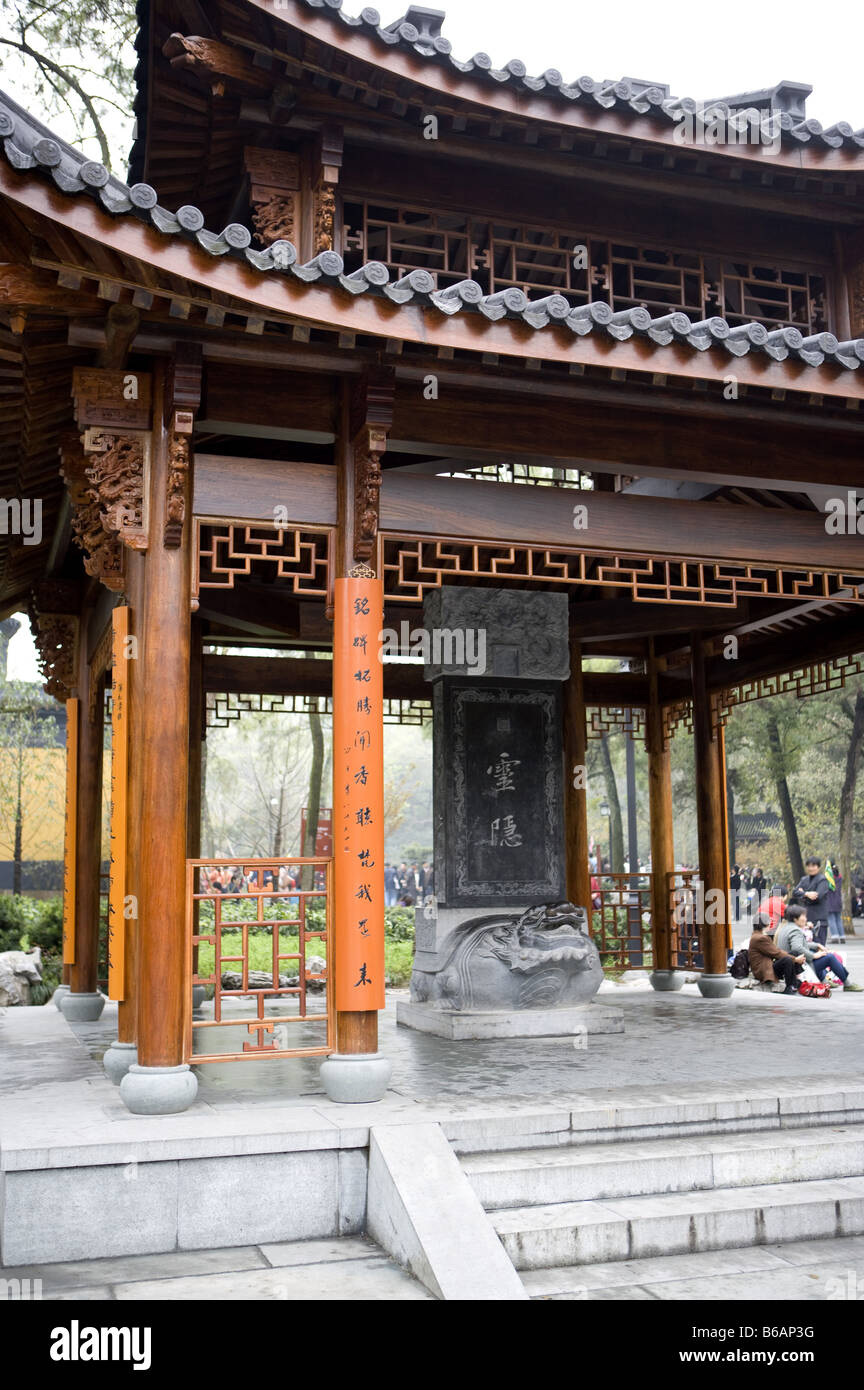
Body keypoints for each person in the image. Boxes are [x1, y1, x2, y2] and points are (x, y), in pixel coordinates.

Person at [776, 904, 862, 992]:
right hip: (798, 966)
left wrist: (816, 945)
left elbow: (800, 944)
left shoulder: (786, 928)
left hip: (789, 963)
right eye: (804, 916)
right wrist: (813, 956)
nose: (806, 919)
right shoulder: (795, 930)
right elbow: (797, 947)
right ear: (795, 919)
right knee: (830, 957)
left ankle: (824, 981)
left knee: (821, 954)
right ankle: (847, 983)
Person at [748, 916, 805, 994]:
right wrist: (795, 959)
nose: (770, 924)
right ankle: (790, 986)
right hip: (763, 970)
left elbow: (775, 951)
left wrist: (795, 958)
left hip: (768, 964)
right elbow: (776, 953)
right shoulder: (760, 938)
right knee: (787, 960)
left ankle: (795, 980)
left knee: (794, 953)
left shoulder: (758, 935)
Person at [792, 857, 831, 947]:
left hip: (819, 920)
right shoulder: (804, 879)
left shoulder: (823, 880)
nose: (811, 868)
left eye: (813, 866)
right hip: (806, 920)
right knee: (806, 947)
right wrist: (807, 894)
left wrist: (802, 894)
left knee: (819, 947)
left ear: (818, 867)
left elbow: (817, 897)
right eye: (809, 866)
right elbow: (794, 892)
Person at [825, 858, 844, 943]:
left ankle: (835, 937)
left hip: (830, 901)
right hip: (838, 900)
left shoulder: (828, 876)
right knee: (838, 919)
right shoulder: (839, 876)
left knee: (831, 919)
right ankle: (842, 936)